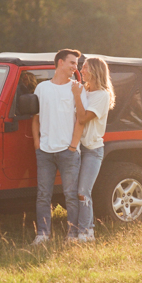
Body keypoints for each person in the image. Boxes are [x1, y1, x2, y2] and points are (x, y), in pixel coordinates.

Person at [31, 49, 83, 245]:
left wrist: (73, 146)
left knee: (71, 195)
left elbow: (81, 120)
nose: (74, 67)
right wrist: (37, 143)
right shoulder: (41, 88)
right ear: (60, 63)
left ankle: (72, 235)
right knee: (43, 195)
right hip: (44, 151)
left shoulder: (76, 88)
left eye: (76, 64)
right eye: (72, 63)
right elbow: (35, 119)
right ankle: (42, 235)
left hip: (67, 152)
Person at [70, 57, 115, 242]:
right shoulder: (86, 92)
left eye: (86, 68)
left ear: (95, 71)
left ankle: (88, 232)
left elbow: (82, 118)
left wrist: (76, 95)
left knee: (83, 191)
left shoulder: (102, 95)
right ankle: (78, 230)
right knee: (74, 191)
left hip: (93, 150)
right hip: (78, 149)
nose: (82, 71)